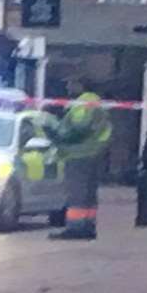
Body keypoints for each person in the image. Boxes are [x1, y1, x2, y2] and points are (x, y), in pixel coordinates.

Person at [51, 86, 111, 240]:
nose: (68, 86)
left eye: (72, 84)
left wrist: (62, 135)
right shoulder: (98, 105)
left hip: (78, 153)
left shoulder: (83, 103)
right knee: (88, 194)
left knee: (77, 193)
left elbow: (79, 126)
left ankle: (75, 228)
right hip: (93, 153)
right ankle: (88, 226)